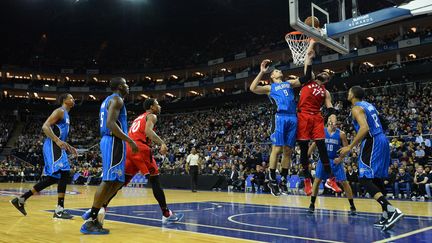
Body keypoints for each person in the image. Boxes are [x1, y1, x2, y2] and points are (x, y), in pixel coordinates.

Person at [338, 86, 403, 231]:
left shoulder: (356, 108)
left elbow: (364, 128)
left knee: (364, 178)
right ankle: (386, 215)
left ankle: (391, 210)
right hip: (381, 139)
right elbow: (383, 122)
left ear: (353, 95)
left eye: (349, 92)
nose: (347, 94)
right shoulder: (369, 105)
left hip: (372, 140)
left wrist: (350, 146)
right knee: (376, 178)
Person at [80, 77, 138, 234]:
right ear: (120, 86)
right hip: (114, 142)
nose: (128, 86)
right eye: (126, 84)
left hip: (113, 142)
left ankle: (93, 212)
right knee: (108, 181)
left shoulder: (108, 100)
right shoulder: (117, 100)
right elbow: (110, 124)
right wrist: (130, 140)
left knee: (116, 182)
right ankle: (91, 219)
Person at [11, 94, 77, 219]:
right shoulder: (59, 111)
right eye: (71, 98)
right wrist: (57, 141)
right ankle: (59, 210)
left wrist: (69, 146)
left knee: (53, 178)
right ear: (64, 100)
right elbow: (45, 126)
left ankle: (21, 199)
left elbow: (59, 135)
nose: (73, 100)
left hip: (56, 145)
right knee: (65, 172)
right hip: (52, 145)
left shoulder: (67, 115)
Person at [249, 59, 302, 196]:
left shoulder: (289, 83)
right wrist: (261, 72)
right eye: (276, 71)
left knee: (288, 151)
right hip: (280, 117)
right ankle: (272, 178)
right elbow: (253, 88)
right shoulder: (269, 87)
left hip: (293, 117)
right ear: (272, 76)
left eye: (279, 70)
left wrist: (307, 61)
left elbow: (307, 78)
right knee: (277, 148)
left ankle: (283, 180)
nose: (279, 71)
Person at [296, 40, 338, 196]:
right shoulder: (310, 79)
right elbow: (307, 58)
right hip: (303, 115)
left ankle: (331, 179)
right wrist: (311, 45)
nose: (324, 75)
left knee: (322, 148)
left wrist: (333, 118)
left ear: (327, 81)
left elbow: (330, 107)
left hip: (316, 118)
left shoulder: (325, 92)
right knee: (304, 149)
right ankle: (307, 179)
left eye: (327, 76)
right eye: (324, 73)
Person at [307, 117, 357, 215]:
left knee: (345, 182)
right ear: (329, 122)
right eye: (334, 122)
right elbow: (314, 144)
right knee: (317, 181)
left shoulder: (341, 134)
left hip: (335, 161)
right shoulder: (322, 131)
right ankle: (312, 204)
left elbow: (347, 149)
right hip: (323, 160)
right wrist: (307, 155)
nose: (336, 124)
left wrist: (340, 159)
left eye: (336, 123)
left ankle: (352, 206)